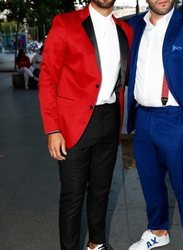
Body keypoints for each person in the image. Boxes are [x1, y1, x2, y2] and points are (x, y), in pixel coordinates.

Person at [39, 1, 132, 250]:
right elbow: (48, 78)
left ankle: (96, 244)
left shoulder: (125, 29)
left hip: (110, 118)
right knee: (73, 196)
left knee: (101, 190)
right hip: (72, 124)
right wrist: (52, 129)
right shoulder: (65, 23)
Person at [127, 1, 183, 250]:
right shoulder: (132, 25)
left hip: (176, 119)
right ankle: (157, 231)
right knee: (149, 180)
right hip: (143, 117)